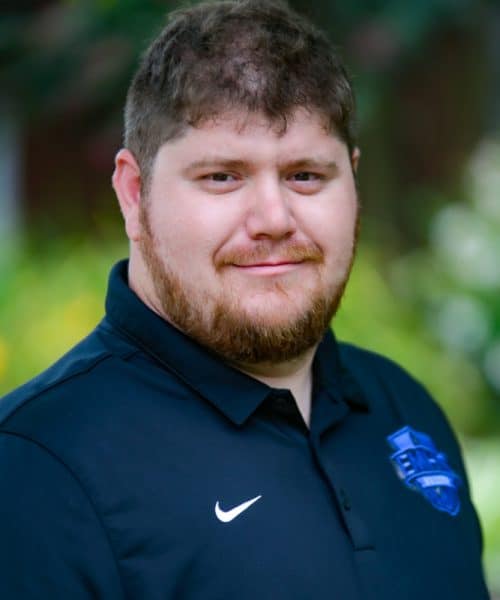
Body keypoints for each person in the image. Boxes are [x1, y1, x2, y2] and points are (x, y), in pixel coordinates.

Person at [0, 1, 490, 598]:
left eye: (306, 175)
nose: (273, 219)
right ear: (133, 194)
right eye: (223, 177)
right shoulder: (36, 468)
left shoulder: (405, 411)